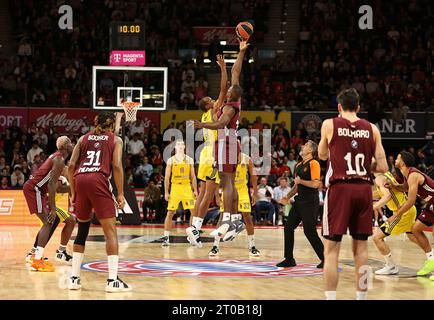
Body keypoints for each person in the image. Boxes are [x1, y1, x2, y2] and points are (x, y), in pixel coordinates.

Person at [318, 88, 388, 300]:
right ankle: (362, 297)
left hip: (340, 189)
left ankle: (331, 298)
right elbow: (383, 166)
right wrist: (366, 164)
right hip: (364, 189)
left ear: (339, 107)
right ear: (359, 107)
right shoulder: (372, 129)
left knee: (331, 251)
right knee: (362, 251)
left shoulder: (330, 124)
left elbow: (321, 155)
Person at [67, 112, 131, 292]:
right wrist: (120, 193)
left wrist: (73, 192)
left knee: (82, 231)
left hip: (80, 180)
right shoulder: (115, 140)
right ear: (111, 127)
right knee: (110, 233)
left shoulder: (83, 138)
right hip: (98, 180)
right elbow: (117, 166)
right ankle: (112, 281)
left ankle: (74, 278)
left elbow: (71, 166)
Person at [193, 40, 249, 241]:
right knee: (228, 183)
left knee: (226, 183)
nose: (228, 91)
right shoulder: (230, 99)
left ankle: (227, 220)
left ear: (233, 96)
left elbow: (220, 124)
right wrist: (241, 52)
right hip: (224, 144)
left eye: (230, 92)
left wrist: (202, 126)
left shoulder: (229, 107)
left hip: (227, 142)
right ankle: (234, 221)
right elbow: (236, 72)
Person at [186, 54, 227, 246]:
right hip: (211, 154)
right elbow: (223, 89)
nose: (214, 99)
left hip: (204, 154)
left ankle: (193, 227)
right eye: (211, 99)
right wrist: (223, 68)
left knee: (203, 194)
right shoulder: (213, 111)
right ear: (208, 104)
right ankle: (195, 229)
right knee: (209, 194)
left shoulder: (203, 117)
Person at [22, 136, 74, 272]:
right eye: (70, 143)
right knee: (48, 222)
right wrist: (53, 208)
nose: (72, 144)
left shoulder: (58, 158)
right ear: (64, 147)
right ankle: (36, 259)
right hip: (36, 189)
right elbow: (52, 185)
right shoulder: (59, 159)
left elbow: (55, 186)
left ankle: (36, 257)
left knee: (49, 222)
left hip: (38, 190)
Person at [277, 140, 324, 268]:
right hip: (300, 201)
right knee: (288, 227)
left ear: (311, 151)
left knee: (309, 231)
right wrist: (287, 197)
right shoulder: (298, 165)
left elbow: (315, 184)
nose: (303, 146)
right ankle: (289, 258)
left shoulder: (314, 163)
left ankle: (325, 259)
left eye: (306, 146)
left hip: (310, 201)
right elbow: (297, 186)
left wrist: (301, 181)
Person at [390, 151, 434, 279]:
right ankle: (431, 260)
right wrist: (394, 186)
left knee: (418, 229)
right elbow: (405, 188)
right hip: (431, 203)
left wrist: (396, 215)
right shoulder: (407, 175)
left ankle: (431, 260)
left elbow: (410, 202)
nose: (396, 159)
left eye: (398, 158)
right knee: (415, 229)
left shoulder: (413, 175)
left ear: (402, 162)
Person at [371, 169, 424, 275]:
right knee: (412, 237)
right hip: (409, 210)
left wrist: (373, 206)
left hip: (402, 213)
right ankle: (431, 255)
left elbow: (387, 196)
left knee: (377, 237)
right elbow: (381, 193)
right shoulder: (386, 175)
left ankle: (391, 266)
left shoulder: (379, 178)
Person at [209, 152, 260, 256]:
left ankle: (252, 246)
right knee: (222, 217)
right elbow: (217, 179)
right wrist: (217, 196)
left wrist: (255, 193)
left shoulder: (246, 158)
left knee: (247, 217)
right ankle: (215, 246)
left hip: (242, 190)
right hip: (228, 189)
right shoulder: (224, 159)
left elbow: (254, 176)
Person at [162, 139, 198, 246]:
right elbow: (167, 178)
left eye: (182, 144)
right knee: (170, 213)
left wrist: (195, 190)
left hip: (187, 187)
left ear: (185, 147)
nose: (181, 145)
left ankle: (191, 235)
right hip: (175, 188)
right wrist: (166, 192)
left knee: (194, 213)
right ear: (175, 147)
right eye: (178, 144)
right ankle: (165, 237)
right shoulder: (171, 160)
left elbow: (193, 176)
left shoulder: (190, 160)